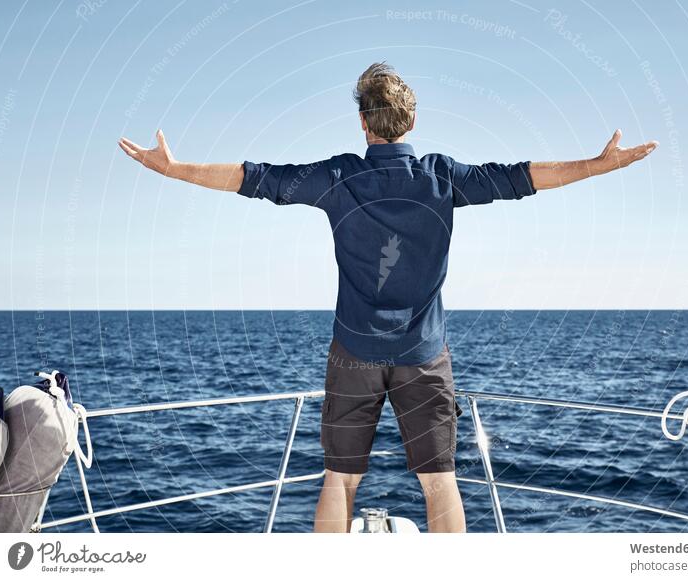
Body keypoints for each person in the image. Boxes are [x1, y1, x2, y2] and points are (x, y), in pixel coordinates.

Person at [119, 62, 657, 534]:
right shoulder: (441, 178)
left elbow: (251, 178)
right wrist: (599, 164)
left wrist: (172, 168)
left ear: (362, 122)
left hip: (352, 355)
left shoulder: (337, 177)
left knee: (340, 480)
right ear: (412, 121)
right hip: (423, 357)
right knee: (440, 485)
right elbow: (523, 178)